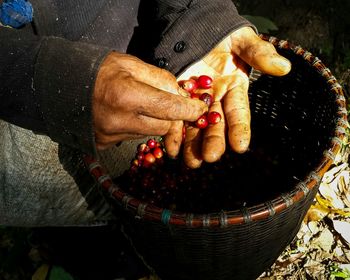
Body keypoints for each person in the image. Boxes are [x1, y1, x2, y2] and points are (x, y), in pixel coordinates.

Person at [0, 0, 291, 226]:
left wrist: (201, 15)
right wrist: (53, 79)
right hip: (14, 106)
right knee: (77, 212)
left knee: (133, 202)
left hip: (147, 54)